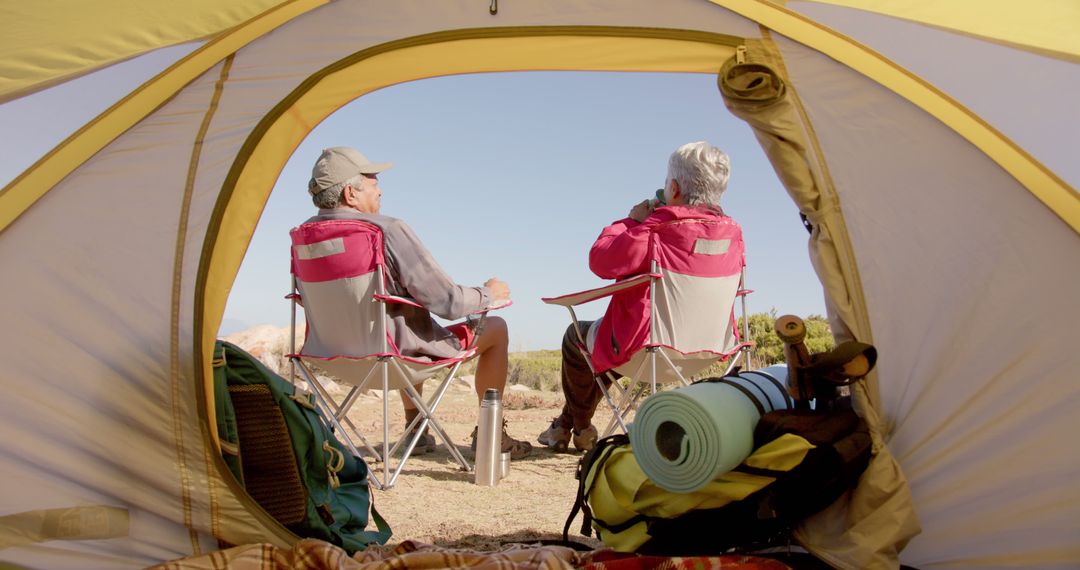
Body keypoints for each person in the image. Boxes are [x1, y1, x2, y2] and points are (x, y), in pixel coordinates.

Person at [301, 146, 532, 459]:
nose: (379, 189)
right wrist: (489, 293)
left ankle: (416, 431)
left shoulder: (305, 238)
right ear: (350, 194)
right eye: (372, 181)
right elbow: (446, 301)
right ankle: (490, 435)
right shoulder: (385, 230)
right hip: (392, 359)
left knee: (401, 319)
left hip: (331, 357)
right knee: (495, 327)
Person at [538, 141, 741, 452]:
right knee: (606, 345)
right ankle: (566, 425)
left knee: (577, 337)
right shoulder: (734, 235)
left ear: (673, 187)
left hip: (646, 349)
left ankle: (579, 427)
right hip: (708, 350)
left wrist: (631, 220)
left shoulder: (656, 230)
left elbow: (600, 260)